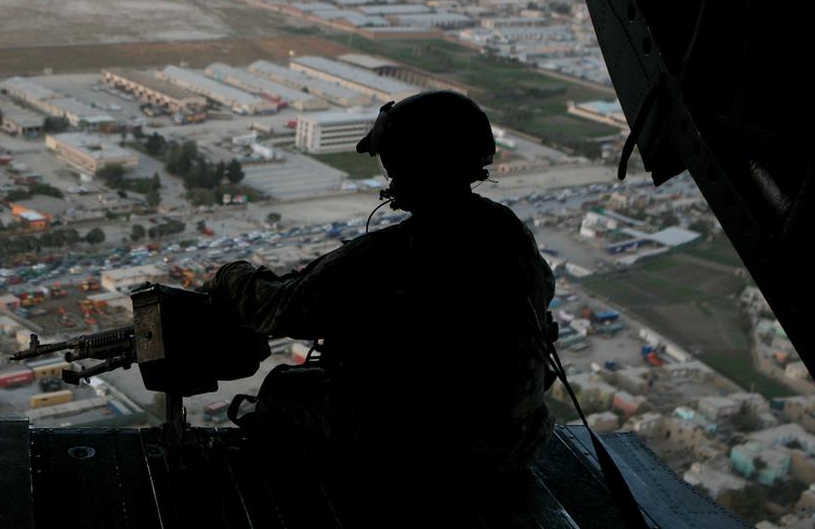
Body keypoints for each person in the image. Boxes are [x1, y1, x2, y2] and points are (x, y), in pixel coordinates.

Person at [203, 91, 557, 520]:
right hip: (517, 439)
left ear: (408, 165)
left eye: (391, 162)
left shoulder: (398, 250)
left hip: (440, 452)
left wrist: (230, 275)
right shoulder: (507, 229)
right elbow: (543, 288)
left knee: (284, 389)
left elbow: (281, 311)